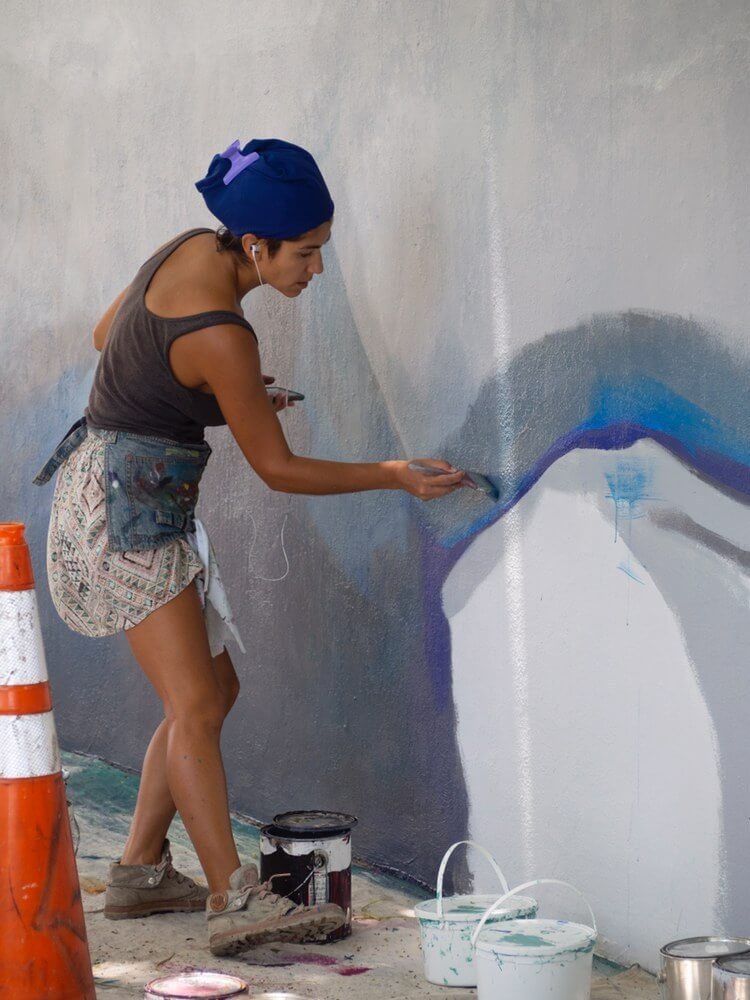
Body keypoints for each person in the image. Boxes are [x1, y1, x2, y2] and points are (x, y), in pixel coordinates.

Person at [32, 138, 464, 956]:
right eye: (306, 254)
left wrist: (209, 386)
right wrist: (392, 474)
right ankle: (236, 900)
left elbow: (108, 335)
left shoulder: (191, 247)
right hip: (126, 516)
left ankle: (137, 874)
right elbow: (278, 468)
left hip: (118, 484)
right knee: (195, 706)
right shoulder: (226, 335)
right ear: (257, 245)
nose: (316, 272)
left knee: (214, 689)